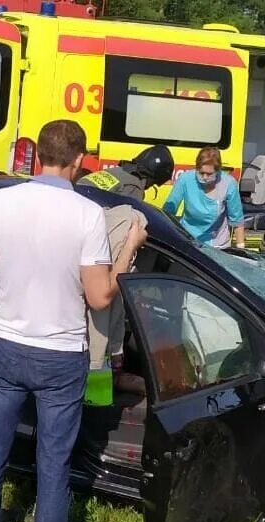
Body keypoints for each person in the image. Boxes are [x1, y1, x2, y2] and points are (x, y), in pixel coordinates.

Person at [0, 119, 148, 522]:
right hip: (61, 357)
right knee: (53, 466)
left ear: (37, 154)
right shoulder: (87, 214)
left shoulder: (0, 201)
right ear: (81, 160)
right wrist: (129, 248)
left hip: (6, 349)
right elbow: (101, 297)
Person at [79, 146, 175, 394]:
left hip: (80, 257)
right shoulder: (132, 189)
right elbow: (127, 231)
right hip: (101, 266)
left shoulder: (115, 173)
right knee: (107, 329)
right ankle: (102, 391)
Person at [163, 147, 245, 249]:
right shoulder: (185, 179)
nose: (205, 177)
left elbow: (237, 220)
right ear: (196, 168)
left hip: (217, 244)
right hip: (188, 238)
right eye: (201, 173)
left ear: (218, 171)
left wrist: (241, 247)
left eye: (209, 174)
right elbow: (168, 212)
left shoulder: (229, 184)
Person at [77, 145, 174, 200]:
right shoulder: (133, 188)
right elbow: (124, 225)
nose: (148, 187)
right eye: (153, 183)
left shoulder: (117, 171)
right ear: (151, 177)